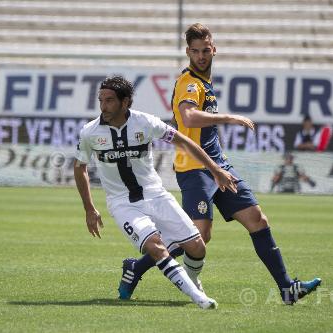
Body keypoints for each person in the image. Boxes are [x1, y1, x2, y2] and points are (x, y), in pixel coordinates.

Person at [120, 23, 321, 305]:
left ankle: (287, 288)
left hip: (220, 166)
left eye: (205, 50)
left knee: (257, 220)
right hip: (194, 169)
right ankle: (136, 267)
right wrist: (229, 118)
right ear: (188, 52)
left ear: (213, 49)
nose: (201, 55)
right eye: (195, 51)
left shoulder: (205, 83)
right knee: (198, 235)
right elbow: (188, 118)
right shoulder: (189, 82)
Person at [74, 75, 240, 309]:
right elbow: (79, 167)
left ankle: (187, 280)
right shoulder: (89, 132)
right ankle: (198, 297)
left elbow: (185, 142)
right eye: (101, 100)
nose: (103, 106)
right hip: (123, 203)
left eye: (110, 100)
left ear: (125, 102)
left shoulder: (146, 123)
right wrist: (90, 208)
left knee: (197, 247)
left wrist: (215, 170)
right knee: (154, 245)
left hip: (156, 195)